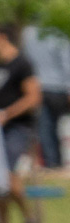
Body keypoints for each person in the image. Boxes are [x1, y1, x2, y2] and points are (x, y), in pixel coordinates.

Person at [0, 24, 43, 223]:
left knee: (9, 177)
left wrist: (7, 114)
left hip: (17, 128)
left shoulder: (22, 64)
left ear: (1, 37)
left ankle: (29, 218)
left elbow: (33, 98)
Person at [21, 23, 69, 169]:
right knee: (59, 128)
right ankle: (57, 165)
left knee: (46, 131)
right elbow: (66, 61)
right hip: (59, 88)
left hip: (40, 87)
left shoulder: (28, 32)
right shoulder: (59, 32)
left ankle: (52, 164)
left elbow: (26, 61)